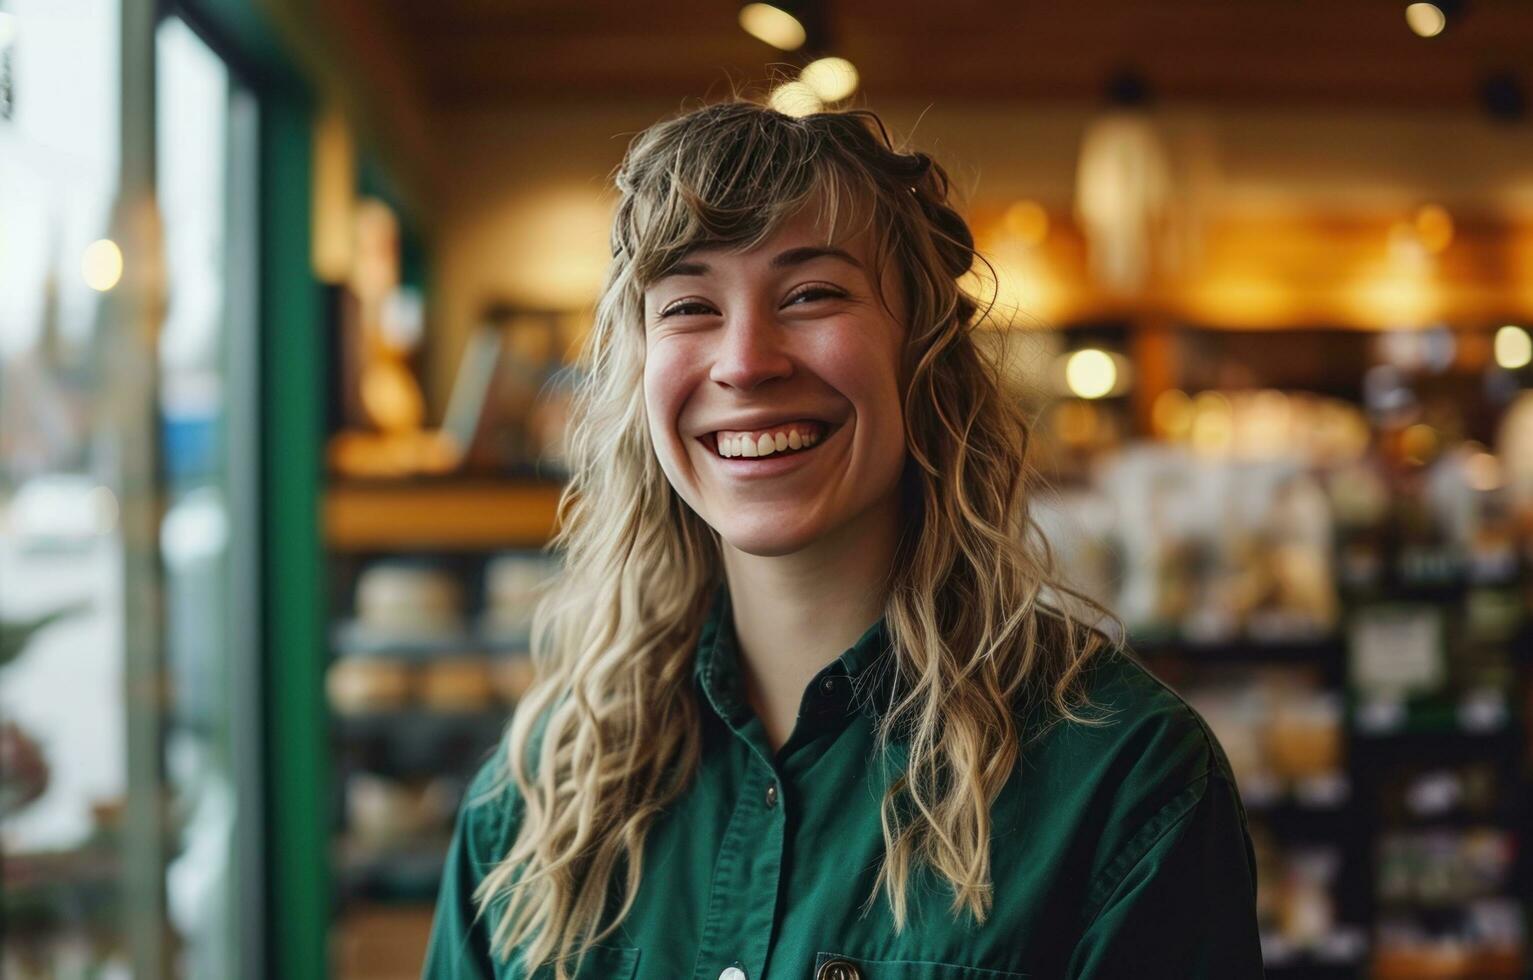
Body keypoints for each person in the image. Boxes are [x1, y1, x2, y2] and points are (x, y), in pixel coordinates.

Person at [423, 99, 1264, 980]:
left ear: (924, 356)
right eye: (688, 306)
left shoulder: (1123, 781)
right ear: (640, 375)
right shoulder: (533, 804)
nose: (745, 362)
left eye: (811, 293)